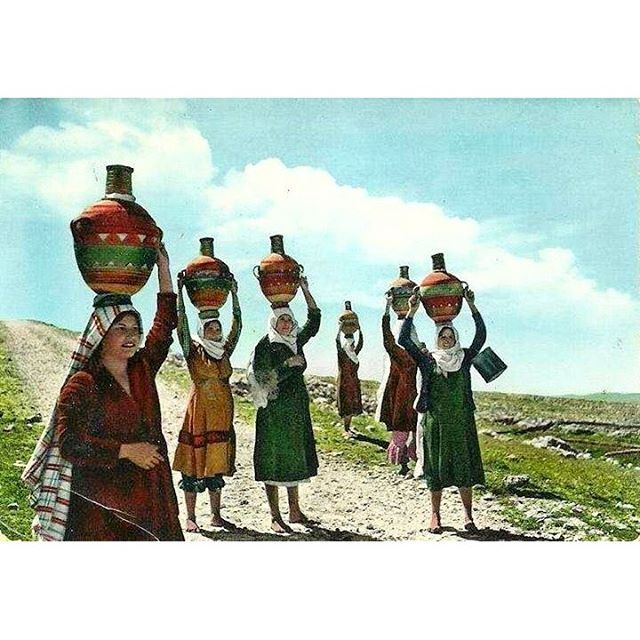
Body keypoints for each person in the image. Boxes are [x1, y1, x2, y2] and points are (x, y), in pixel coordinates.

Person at [22, 243, 183, 541]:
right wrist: (125, 451)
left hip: (152, 495)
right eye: (121, 328)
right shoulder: (83, 384)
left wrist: (163, 270)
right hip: (104, 507)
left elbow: (164, 326)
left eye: (135, 329)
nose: (131, 336)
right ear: (101, 333)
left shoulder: (142, 369)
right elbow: (69, 444)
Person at [399, 287, 486, 534]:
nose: (446, 340)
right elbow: (404, 340)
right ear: (437, 338)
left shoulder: (465, 358)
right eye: (442, 337)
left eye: (450, 337)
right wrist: (412, 310)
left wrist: (471, 305)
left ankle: (468, 517)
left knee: (464, 469)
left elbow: (481, 336)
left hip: (461, 423)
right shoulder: (428, 360)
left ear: (455, 338)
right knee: (435, 471)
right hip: (435, 423)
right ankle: (435, 515)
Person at [247, 276, 321, 534]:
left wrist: (304, 290)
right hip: (274, 412)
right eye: (283, 320)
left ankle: (295, 509)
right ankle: (274, 516)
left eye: (290, 319)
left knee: (293, 459)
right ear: (273, 323)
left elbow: (314, 321)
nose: (287, 323)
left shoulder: (295, 341)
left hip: (295, 410)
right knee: (273, 460)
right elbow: (262, 378)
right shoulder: (265, 345)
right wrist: (287, 366)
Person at [172, 277, 242, 532]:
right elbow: (182, 324)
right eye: (211, 328)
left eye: (217, 328)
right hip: (199, 413)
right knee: (193, 463)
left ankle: (215, 515)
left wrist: (234, 295)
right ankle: (190, 517)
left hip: (221, 415)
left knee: (216, 465)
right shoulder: (193, 350)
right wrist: (180, 292)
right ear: (202, 330)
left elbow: (239, 326)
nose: (216, 331)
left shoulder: (224, 351)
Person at [375, 292, 418, 475]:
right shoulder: (399, 353)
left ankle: (414, 464)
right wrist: (386, 309)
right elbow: (387, 336)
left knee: (414, 429)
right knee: (403, 430)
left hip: (410, 394)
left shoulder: (417, 354)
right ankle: (404, 464)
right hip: (402, 394)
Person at [335, 322, 364, 439]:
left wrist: (360, 330)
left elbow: (361, 344)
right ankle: (346, 428)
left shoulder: (354, 355)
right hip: (344, 383)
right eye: (352, 345)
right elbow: (337, 342)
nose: (353, 346)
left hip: (354, 383)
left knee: (352, 407)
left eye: (353, 345)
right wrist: (339, 330)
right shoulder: (342, 354)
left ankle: (348, 427)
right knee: (347, 407)